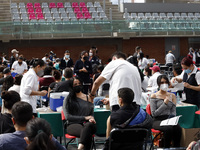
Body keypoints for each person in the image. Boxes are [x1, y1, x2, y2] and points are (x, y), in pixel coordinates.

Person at [63, 77, 96, 150]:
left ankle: (80, 147)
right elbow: (67, 117)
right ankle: (81, 147)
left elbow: (91, 114)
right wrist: (85, 118)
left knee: (88, 126)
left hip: (88, 124)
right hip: (73, 124)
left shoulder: (88, 98)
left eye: (79, 84)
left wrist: (91, 118)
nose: (78, 85)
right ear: (71, 86)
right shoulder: (68, 99)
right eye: (75, 84)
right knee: (87, 133)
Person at [150, 75, 182, 148]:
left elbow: (173, 112)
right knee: (168, 128)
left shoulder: (172, 96)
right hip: (157, 120)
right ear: (158, 84)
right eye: (162, 82)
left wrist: (173, 120)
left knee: (178, 128)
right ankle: (166, 147)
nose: (164, 84)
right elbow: (154, 114)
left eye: (165, 82)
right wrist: (165, 104)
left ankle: (177, 147)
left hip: (169, 118)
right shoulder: (154, 96)